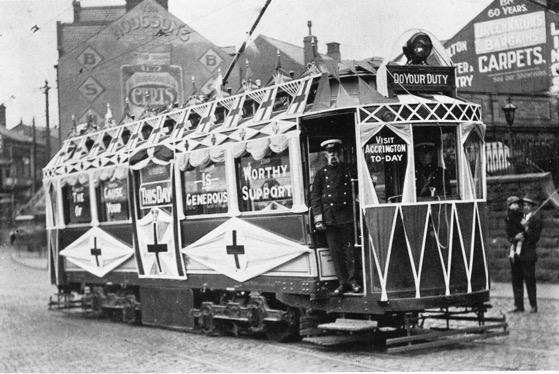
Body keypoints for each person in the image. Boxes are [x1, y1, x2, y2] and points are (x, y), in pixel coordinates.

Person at [311, 139, 361, 296]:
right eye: (329, 153)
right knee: (336, 252)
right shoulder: (321, 174)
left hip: (347, 216)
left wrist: (358, 215)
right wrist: (318, 218)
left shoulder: (350, 170)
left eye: (335, 153)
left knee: (350, 250)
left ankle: (354, 281)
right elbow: (316, 197)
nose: (332, 156)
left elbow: (359, 190)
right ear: (326, 155)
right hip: (330, 218)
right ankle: (342, 283)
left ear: (340, 153)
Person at [509, 194, 543, 313]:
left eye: (528, 205)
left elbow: (535, 238)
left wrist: (527, 227)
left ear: (532, 207)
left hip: (528, 255)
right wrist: (515, 237)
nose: (525, 207)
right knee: (516, 281)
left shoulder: (536, 220)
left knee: (530, 281)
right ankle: (519, 306)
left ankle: (533, 305)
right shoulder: (518, 218)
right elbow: (511, 233)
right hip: (516, 254)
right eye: (523, 205)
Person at [505, 196, 524, 262]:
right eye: (515, 204)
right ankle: (512, 254)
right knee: (514, 243)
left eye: (517, 204)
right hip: (513, 233)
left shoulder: (519, 214)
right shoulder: (510, 216)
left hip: (518, 232)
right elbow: (510, 227)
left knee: (519, 242)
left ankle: (517, 253)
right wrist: (517, 233)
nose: (517, 206)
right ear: (509, 206)